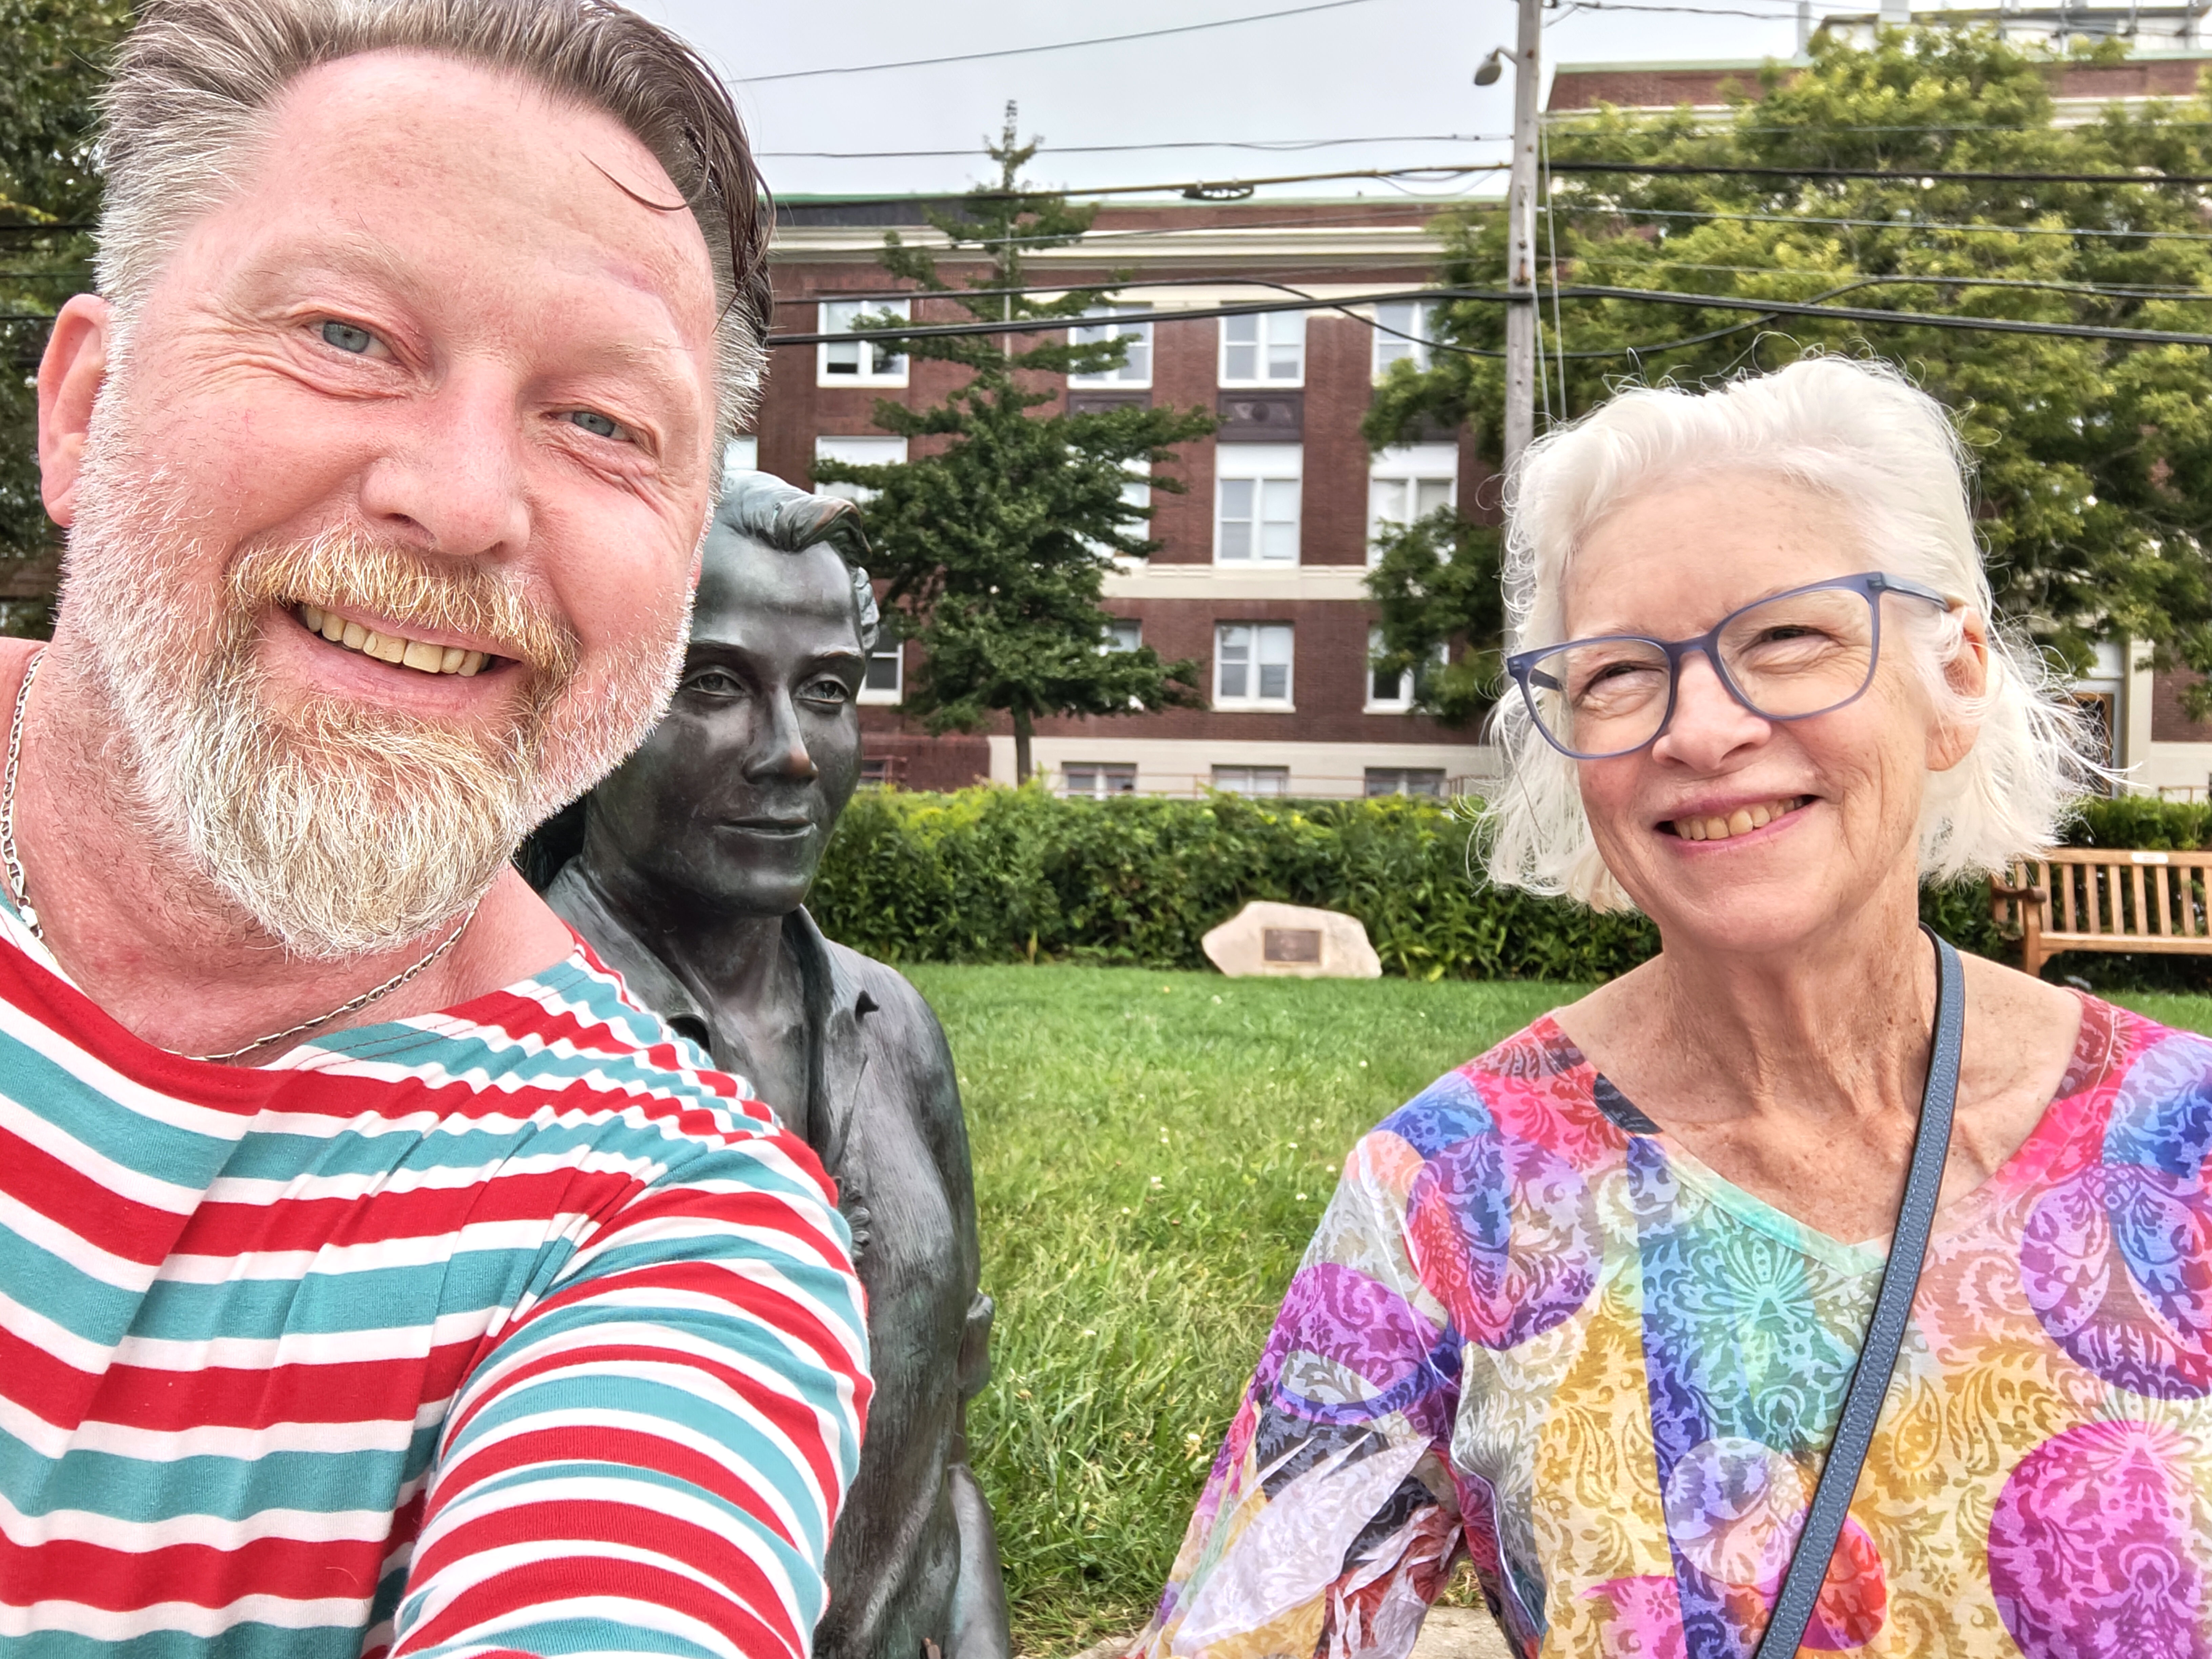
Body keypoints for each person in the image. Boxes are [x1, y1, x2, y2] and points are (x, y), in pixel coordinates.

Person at [11, 3, 868, 1655]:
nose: (466, 504)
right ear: (85, 408)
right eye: (347, 334)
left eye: (603, 423)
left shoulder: (663, 1235)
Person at [1133, 356, 2209, 1659]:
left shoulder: (2190, 1145)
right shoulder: (1454, 1194)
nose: (1700, 730)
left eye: (1788, 639)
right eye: (1619, 675)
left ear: (1958, 677)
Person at [538, 472, 1010, 1659]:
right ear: (585, 705)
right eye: (713, 684)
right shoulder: (499, 1042)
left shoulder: (895, 1025)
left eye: (829, 692)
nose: (793, 753)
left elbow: (943, 1463)